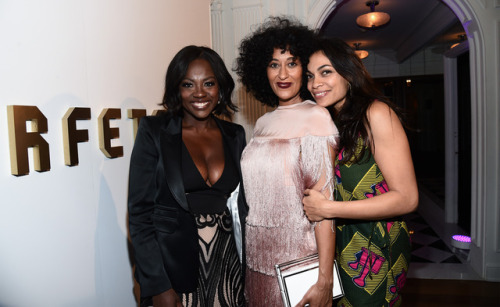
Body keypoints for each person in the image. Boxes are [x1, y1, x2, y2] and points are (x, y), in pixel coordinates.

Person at [303, 37, 419, 306]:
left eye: (326, 72)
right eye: (310, 76)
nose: (314, 83)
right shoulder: (331, 120)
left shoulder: (375, 113)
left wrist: (328, 209)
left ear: (349, 73)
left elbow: (408, 198)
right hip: (343, 239)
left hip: (377, 244)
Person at [128, 45, 246, 307]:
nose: (200, 93)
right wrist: (159, 286)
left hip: (229, 266)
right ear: (176, 89)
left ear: (221, 87)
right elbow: (139, 216)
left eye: (209, 83)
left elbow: (244, 207)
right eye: (188, 84)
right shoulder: (154, 132)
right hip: (174, 269)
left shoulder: (235, 135)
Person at [235, 17, 338, 306]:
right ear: (261, 70)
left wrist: (325, 279)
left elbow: (324, 208)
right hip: (257, 260)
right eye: (273, 64)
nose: (283, 73)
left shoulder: (317, 118)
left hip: (299, 260)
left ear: (305, 67)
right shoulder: (263, 123)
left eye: (292, 63)